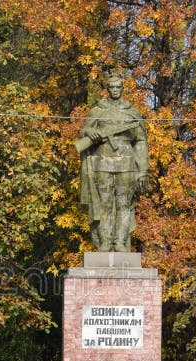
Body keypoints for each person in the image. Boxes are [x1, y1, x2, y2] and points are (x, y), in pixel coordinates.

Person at [76, 75, 149, 252]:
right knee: (104, 203)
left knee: (124, 204)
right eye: (112, 87)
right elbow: (84, 132)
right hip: (103, 162)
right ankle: (106, 241)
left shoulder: (131, 112)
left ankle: (120, 242)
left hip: (127, 164)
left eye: (118, 87)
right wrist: (92, 133)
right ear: (107, 89)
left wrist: (143, 170)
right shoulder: (98, 110)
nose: (115, 90)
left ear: (122, 88)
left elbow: (140, 141)